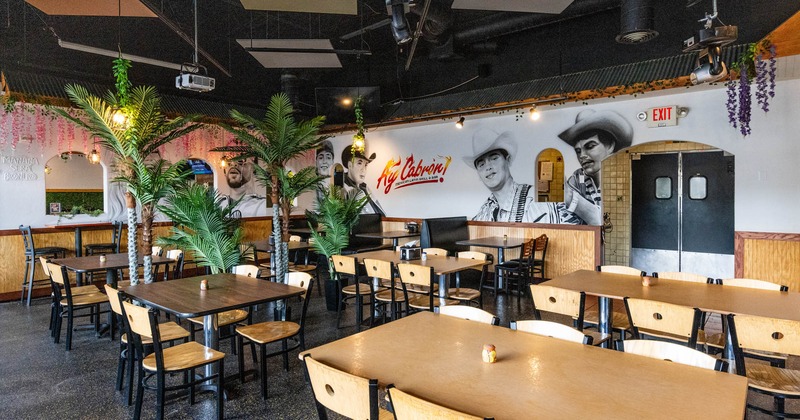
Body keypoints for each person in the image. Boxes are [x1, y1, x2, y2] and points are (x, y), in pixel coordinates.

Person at [465, 129, 564, 223]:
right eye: (481, 164)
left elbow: (546, 238)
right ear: (478, 174)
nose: (488, 167)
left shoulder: (534, 199)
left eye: (494, 158)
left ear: (508, 160)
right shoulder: (485, 211)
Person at [558, 109, 632, 225]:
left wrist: (570, 197)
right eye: (578, 151)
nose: (582, 156)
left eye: (590, 146)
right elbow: (566, 219)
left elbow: (611, 224)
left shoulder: (625, 177)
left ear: (610, 146)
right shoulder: (577, 178)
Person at [341, 146, 385, 216]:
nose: (363, 169)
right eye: (359, 163)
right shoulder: (343, 188)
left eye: (366, 165)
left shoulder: (365, 187)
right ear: (349, 165)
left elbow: (380, 212)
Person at [315, 140, 335, 204]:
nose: (324, 161)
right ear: (316, 160)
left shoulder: (336, 185)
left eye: (328, 157)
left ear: (332, 161)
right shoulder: (312, 185)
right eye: (321, 157)